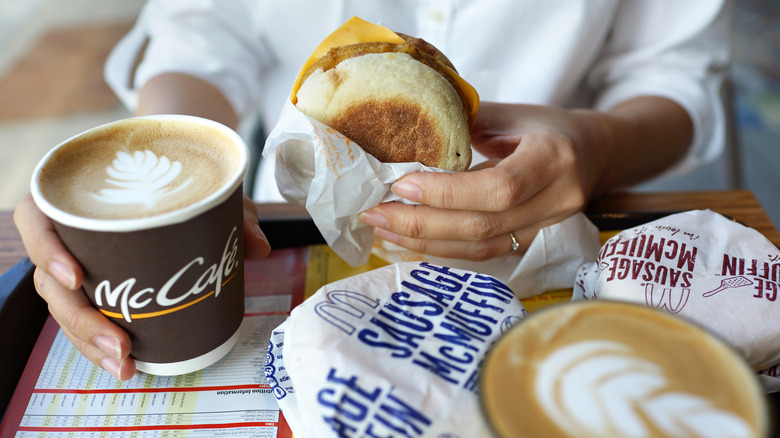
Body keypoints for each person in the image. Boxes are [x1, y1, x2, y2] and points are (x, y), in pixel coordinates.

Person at [14, 0, 733, 380]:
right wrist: (154, 174)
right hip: (277, 240)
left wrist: (598, 146)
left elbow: (672, 79)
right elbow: (198, 41)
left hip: (546, 248)